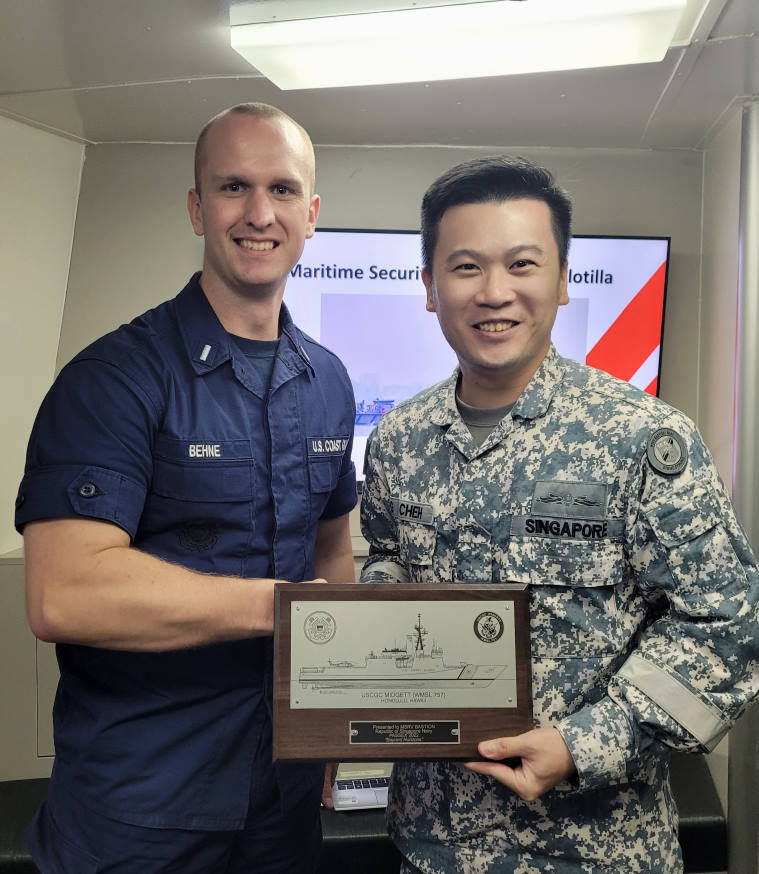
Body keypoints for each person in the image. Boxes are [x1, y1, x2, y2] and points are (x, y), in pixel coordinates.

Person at [359, 155, 759, 873]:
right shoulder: (397, 440)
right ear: (428, 287)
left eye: (521, 264)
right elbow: (387, 563)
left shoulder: (642, 440)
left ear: (563, 279)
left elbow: (729, 628)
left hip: (594, 848)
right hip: (430, 843)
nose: (493, 293)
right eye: (465, 267)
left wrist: (585, 743)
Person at [15, 103, 357, 873]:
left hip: (283, 791)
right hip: (141, 802)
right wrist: (291, 611)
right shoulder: (114, 380)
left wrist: (330, 723)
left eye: (281, 189)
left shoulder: (328, 379)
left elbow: (332, 553)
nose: (259, 213)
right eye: (233, 188)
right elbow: (64, 593)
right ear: (198, 208)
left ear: (311, 213)